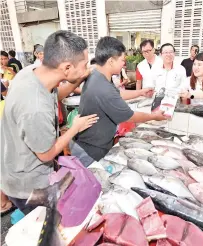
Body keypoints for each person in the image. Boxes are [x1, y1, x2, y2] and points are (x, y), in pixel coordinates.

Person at [0, 30, 98, 215]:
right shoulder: (34, 107)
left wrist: (81, 77)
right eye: (84, 64)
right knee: (48, 227)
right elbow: (46, 154)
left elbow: (54, 97)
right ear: (67, 67)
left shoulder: (31, 73)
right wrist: (74, 128)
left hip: (15, 164)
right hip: (28, 185)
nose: (86, 68)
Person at [72, 37, 167, 167]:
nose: (124, 63)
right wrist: (154, 116)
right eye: (122, 60)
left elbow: (117, 94)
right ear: (111, 61)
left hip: (89, 145)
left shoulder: (97, 75)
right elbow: (130, 116)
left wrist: (140, 92)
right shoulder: (102, 86)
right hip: (90, 151)